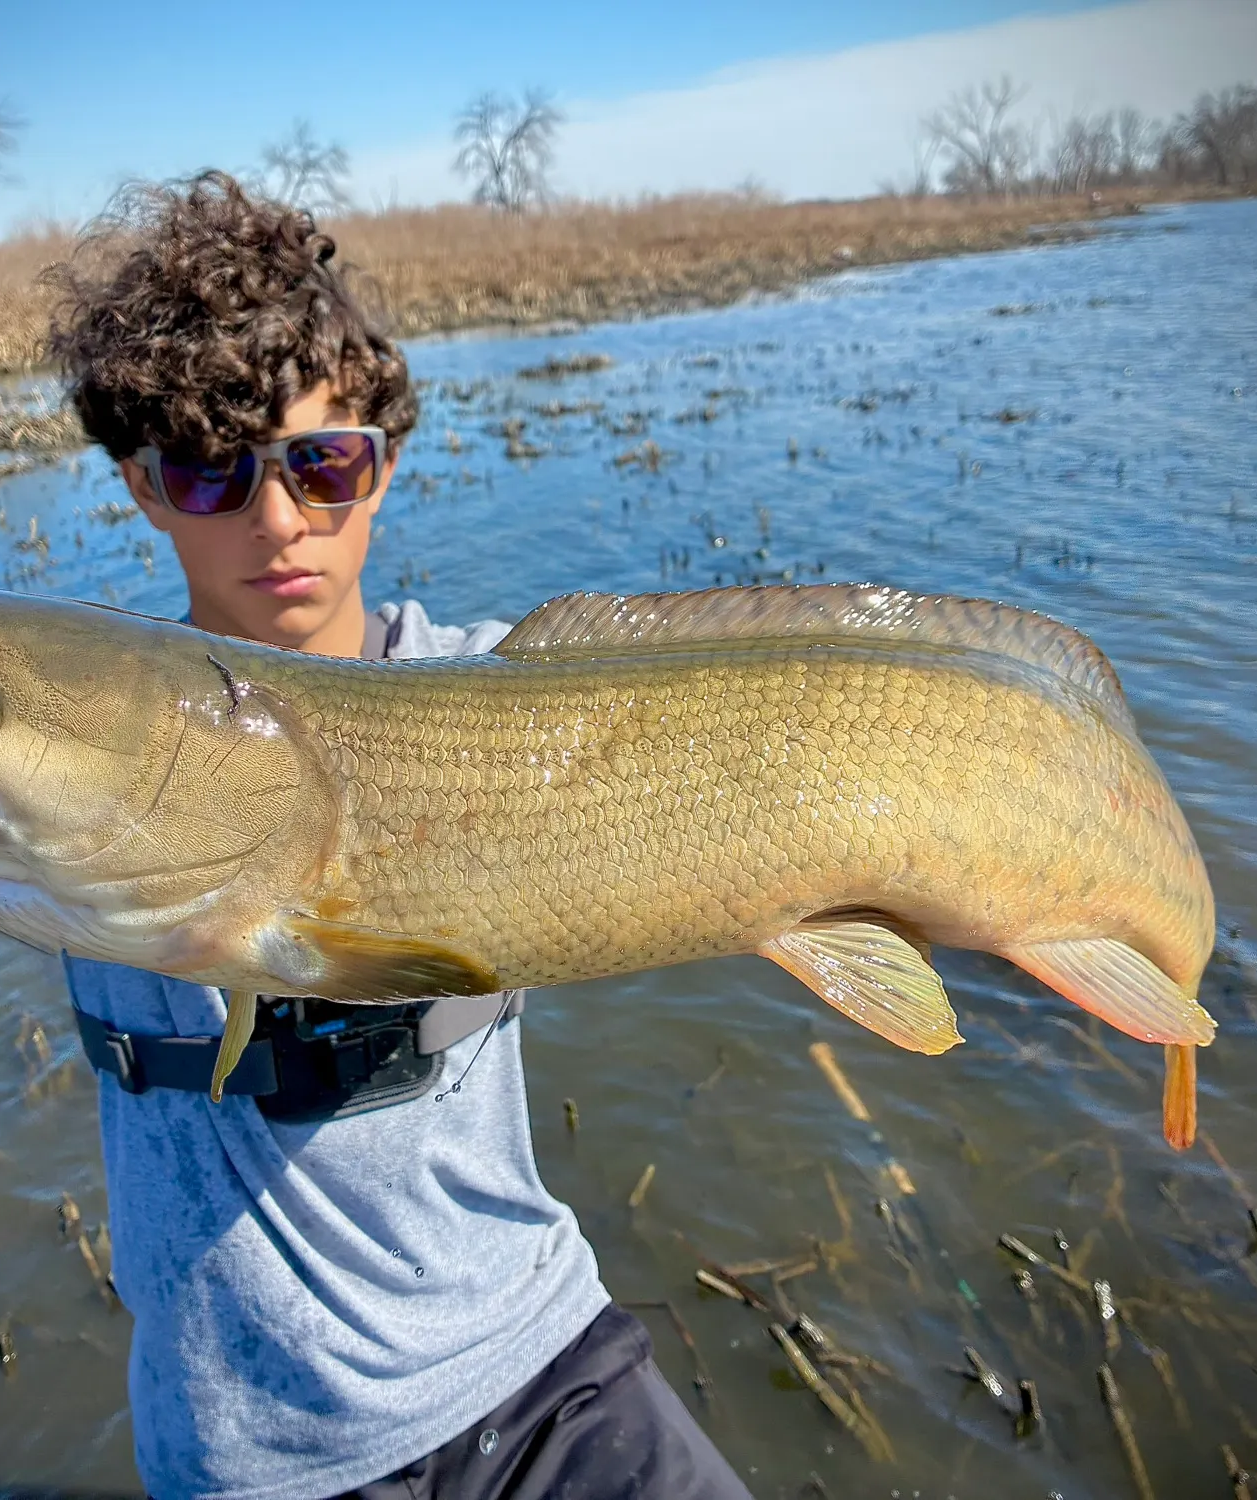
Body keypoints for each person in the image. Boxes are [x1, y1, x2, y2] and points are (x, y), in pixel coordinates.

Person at [47, 171, 753, 1500]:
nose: (278, 524)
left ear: (382, 458)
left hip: (545, 1367)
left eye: (321, 463)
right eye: (212, 473)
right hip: (267, 1457)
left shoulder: (502, 695)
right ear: (142, 487)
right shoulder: (84, 733)